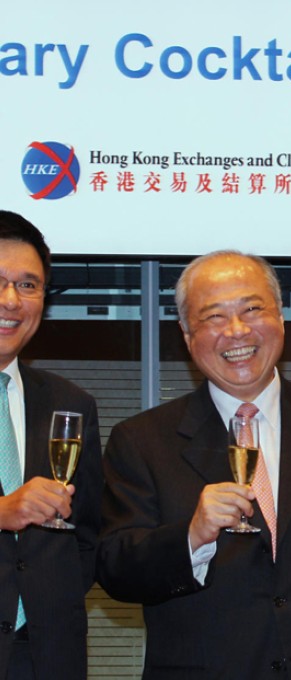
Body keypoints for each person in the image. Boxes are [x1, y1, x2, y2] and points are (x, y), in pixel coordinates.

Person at [97, 251, 291, 679]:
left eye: (251, 309)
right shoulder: (141, 439)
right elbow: (115, 570)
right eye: (214, 317)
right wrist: (191, 537)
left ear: (281, 318)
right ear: (188, 336)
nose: (237, 331)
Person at [0, 210, 102, 679]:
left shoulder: (71, 403)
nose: (11, 301)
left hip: (45, 657)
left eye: (28, 285)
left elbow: (86, 537)